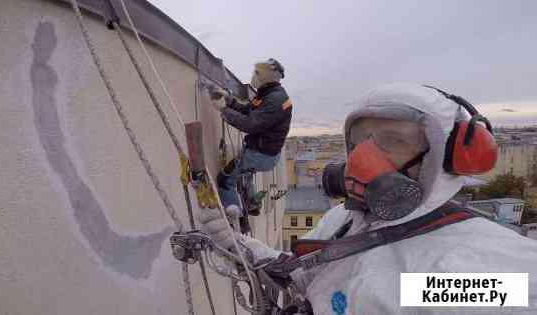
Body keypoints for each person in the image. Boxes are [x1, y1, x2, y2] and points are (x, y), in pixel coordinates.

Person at [198, 83, 537, 314]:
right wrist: (239, 247)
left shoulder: (477, 261)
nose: (364, 158)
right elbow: (301, 276)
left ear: (447, 157)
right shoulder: (343, 222)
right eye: (362, 140)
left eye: (392, 141)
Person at [208, 58, 292, 215]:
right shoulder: (268, 94)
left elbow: (250, 124)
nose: (254, 75)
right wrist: (229, 99)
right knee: (245, 172)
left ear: (268, 76)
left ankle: (234, 215)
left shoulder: (275, 99)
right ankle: (252, 203)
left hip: (260, 155)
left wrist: (224, 110)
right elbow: (248, 110)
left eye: (258, 73)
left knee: (225, 180)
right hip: (263, 153)